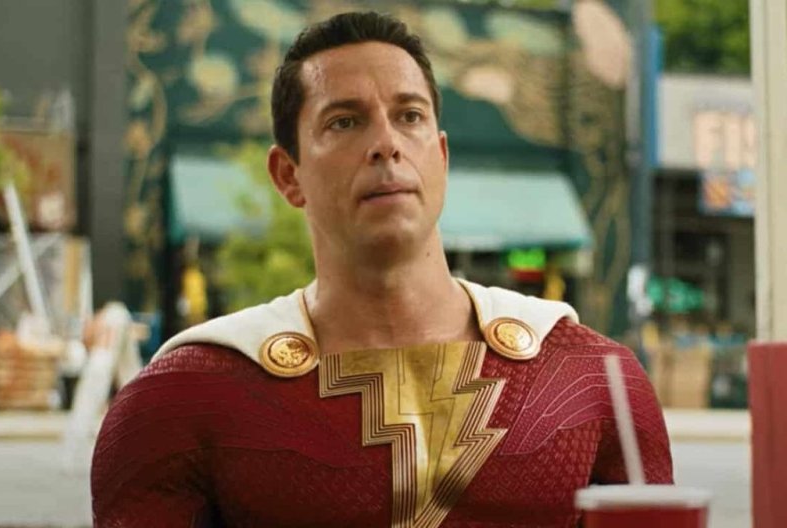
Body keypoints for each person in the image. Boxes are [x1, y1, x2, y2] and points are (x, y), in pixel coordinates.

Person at [91, 11, 672, 527]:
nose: (386, 143)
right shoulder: (185, 397)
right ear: (288, 175)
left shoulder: (589, 379)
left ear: (441, 156)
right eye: (344, 121)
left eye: (409, 115)